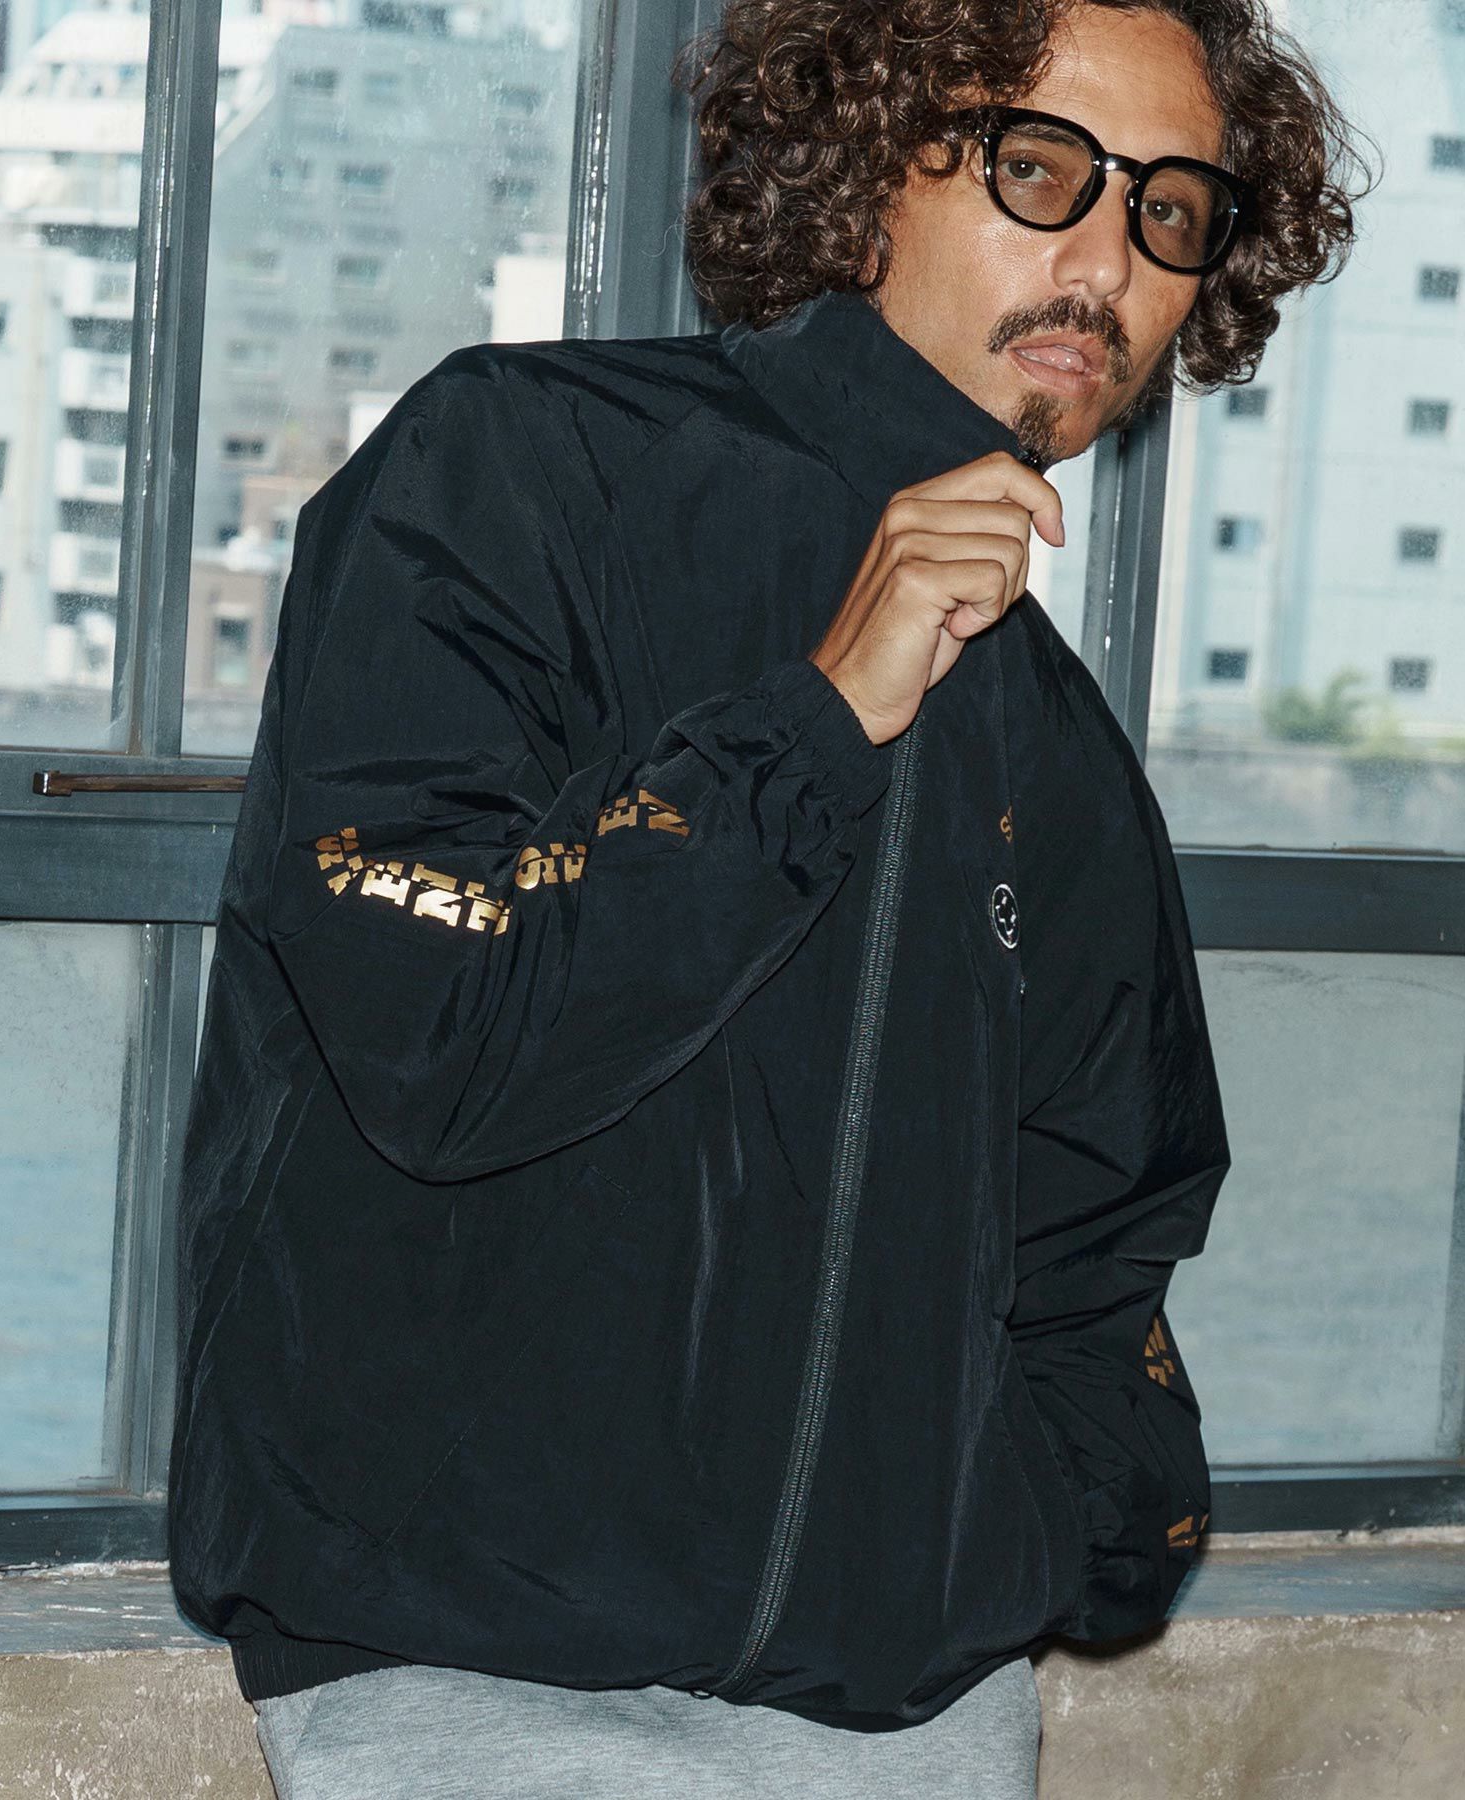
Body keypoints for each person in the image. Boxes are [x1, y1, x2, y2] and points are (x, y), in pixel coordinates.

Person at [167, 2, 1366, 1794]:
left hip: (914, 1718)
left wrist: (1028, 1543)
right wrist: (817, 720)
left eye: (1172, 209)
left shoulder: (1058, 745)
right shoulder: (516, 468)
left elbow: (1103, 1240)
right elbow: (442, 1039)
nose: (1108, 260)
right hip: (474, 1688)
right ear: (867, 163)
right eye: (1042, 170)